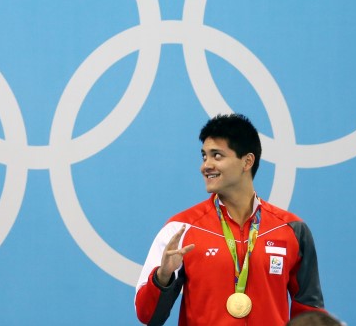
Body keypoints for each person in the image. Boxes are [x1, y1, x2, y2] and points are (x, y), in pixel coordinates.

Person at [135, 114, 325, 325]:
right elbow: (148, 316)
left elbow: (309, 313)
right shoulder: (181, 229)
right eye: (204, 156)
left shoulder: (292, 229)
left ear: (247, 161)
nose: (205, 166)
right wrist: (163, 277)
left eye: (217, 156)